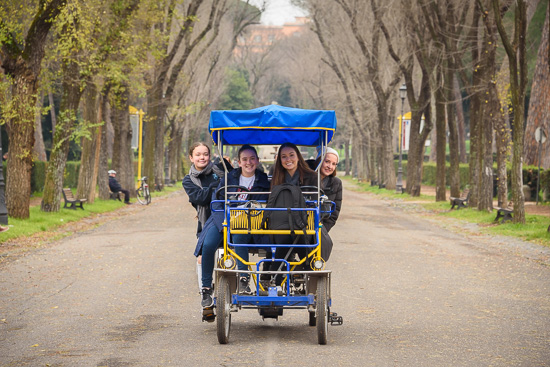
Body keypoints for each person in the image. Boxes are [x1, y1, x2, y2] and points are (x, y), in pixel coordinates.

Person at [195, 145, 270, 308]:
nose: (248, 162)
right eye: (245, 159)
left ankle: (243, 279)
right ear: (238, 162)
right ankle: (206, 288)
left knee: (239, 235)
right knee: (208, 244)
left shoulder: (263, 181)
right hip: (225, 219)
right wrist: (224, 223)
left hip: (250, 220)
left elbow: (266, 205)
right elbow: (218, 202)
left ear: (257, 161)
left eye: (252, 159)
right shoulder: (229, 178)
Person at [267, 142, 318, 278]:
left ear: (298, 157)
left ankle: (306, 274)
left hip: (303, 221)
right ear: (279, 160)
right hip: (281, 221)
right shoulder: (276, 176)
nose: (288, 159)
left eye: (291, 155)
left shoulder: (311, 176)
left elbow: (316, 201)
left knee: (300, 237)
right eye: (283, 157)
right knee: (283, 238)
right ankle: (275, 278)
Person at [313, 147, 342, 260]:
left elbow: (334, 214)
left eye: (334, 164)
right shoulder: (306, 178)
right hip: (302, 224)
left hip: (320, 226)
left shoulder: (336, 183)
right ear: (319, 160)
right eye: (327, 161)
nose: (330, 166)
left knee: (325, 244)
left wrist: (321, 230)